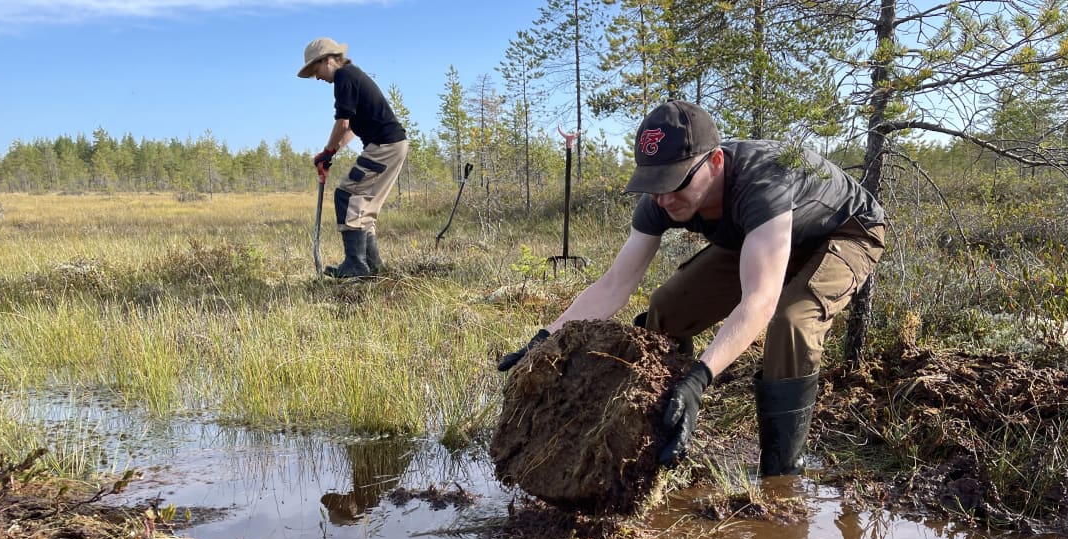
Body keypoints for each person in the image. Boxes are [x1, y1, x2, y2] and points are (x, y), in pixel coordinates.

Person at [497, 100, 885, 476]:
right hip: (760, 239)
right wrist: (545, 339)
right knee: (666, 306)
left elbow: (760, 300)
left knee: (792, 319)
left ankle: (781, 470)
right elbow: (615, 284)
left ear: (715, 162)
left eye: (675, 181)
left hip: (844, 232)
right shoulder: (660, 201)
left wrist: (701, 377)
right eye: (653, 184)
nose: (664, 198)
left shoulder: (763, 180)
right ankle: (664, 427)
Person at [298, 36, 409, 278]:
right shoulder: (351, 75)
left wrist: (327, 151)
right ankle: (373, 266)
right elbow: (350, 129)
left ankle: (356, 265)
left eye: (315, 69)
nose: (317, 77)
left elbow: (342, 121)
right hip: (391, 144)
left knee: (347, 195)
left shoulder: (344, 77)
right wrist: (330, 154)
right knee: (364, 206)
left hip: (384, 145)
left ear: (328, 60)